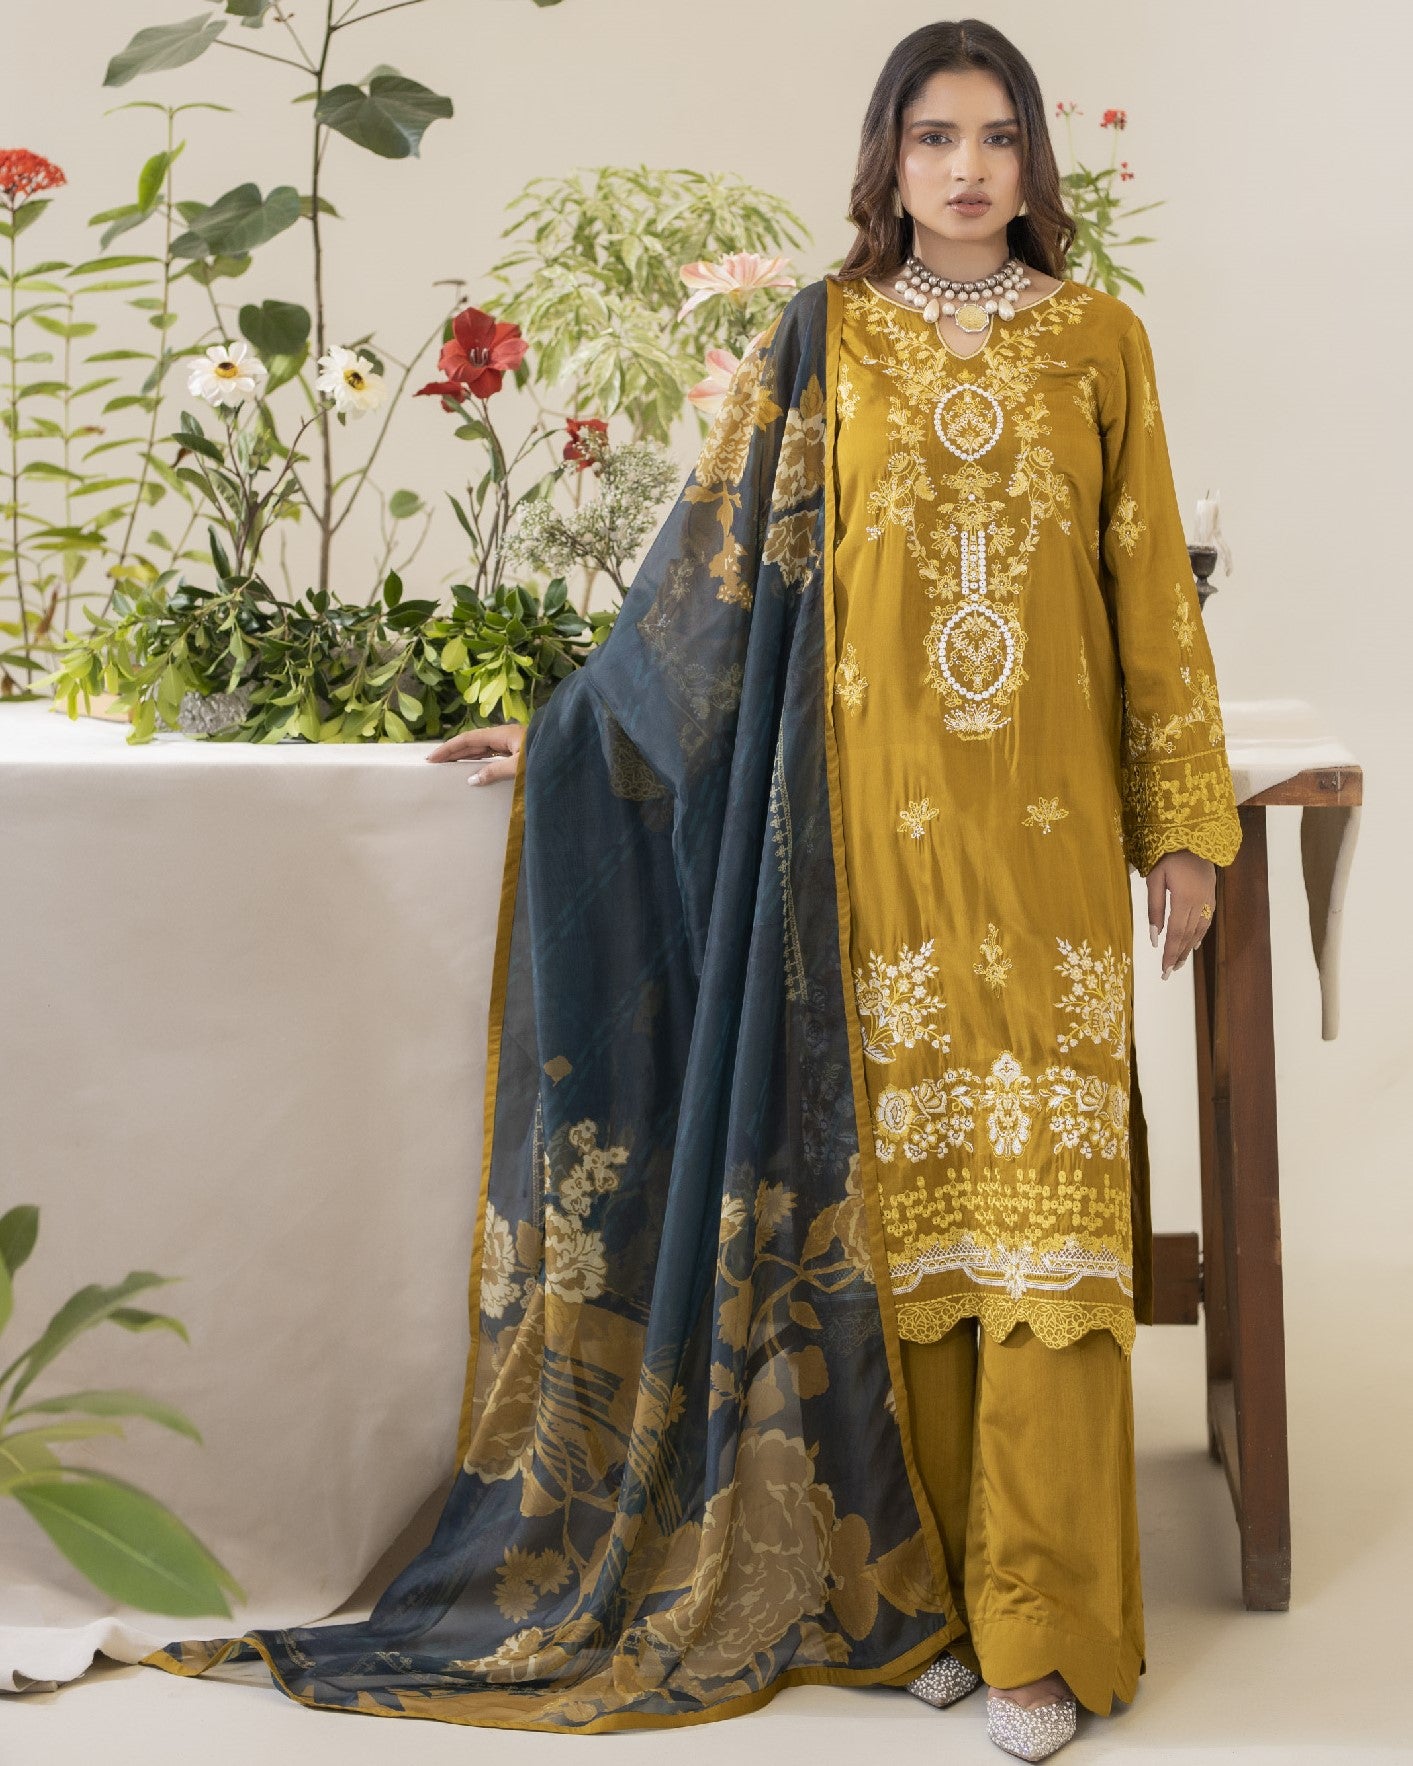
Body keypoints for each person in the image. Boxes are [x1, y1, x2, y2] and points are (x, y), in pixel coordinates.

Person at [140, 20, 1240, 1759]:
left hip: (1034, 853)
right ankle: (935, 1607)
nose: (965, 168)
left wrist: (1181, 822)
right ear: (885, 160)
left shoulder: (1103, 345)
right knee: (913, 1240)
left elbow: (1147, 602)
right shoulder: (828, 340)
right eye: (932, 136)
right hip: (865, 854)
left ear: (1035, 163)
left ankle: (1046, 1630)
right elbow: (713, 573)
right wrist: (577, 733)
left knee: (1043, 1223)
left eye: (996, 136)